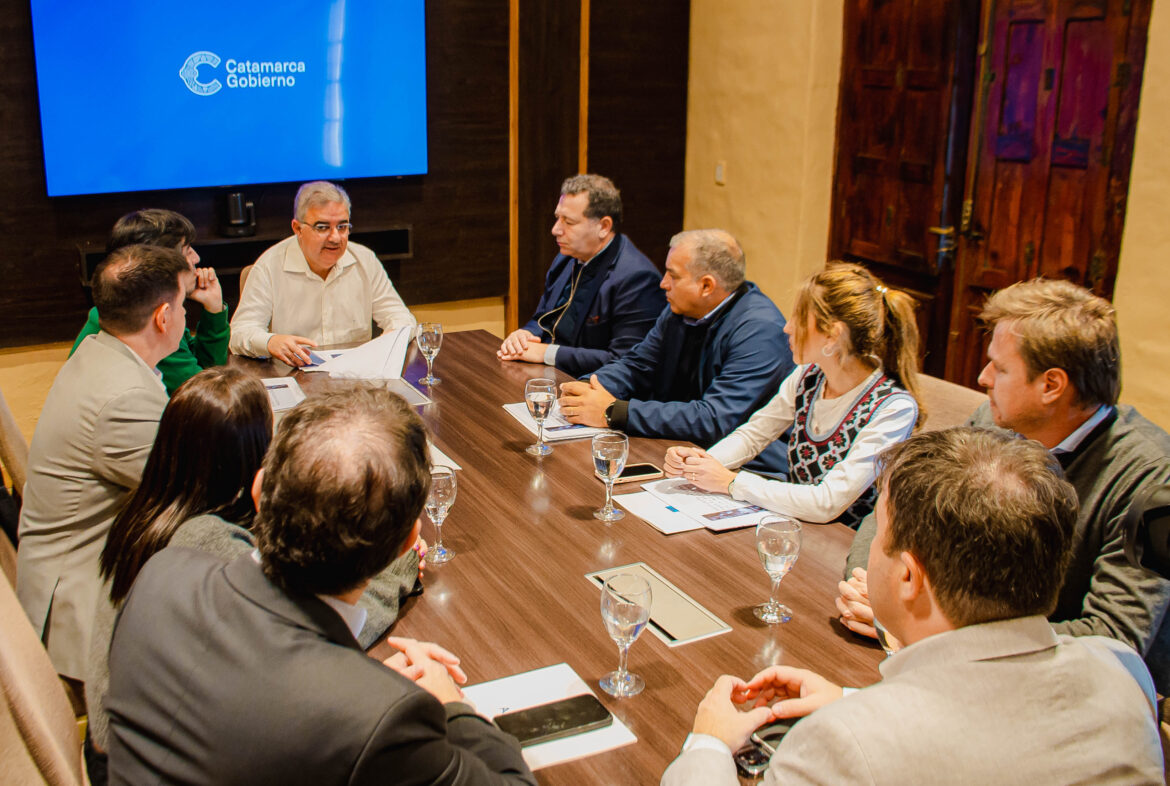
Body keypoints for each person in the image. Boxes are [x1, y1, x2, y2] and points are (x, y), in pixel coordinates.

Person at [662, 428, 1164, 785]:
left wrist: (707, 744)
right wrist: (852, 698)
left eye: (878, 532)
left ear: (907, 576)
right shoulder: (1121, 671)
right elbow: (992, 728)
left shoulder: (844, 747)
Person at [106, 388, 536, 784]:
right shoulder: (378, 722)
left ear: (259, 493)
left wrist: (354, 682)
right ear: (408, 542)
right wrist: (451, 705)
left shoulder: (161, 575)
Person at [83, 369, 424, 784]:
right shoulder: (204, 539)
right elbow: (305, 632)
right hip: (130, 756)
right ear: (252, 466)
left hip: (141, 733)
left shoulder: (148, 517)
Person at [839, 279, 1170, 661]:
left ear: (1051, 385)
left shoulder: (1151, 479)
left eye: (999, 367)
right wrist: (869, 586)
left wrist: (936, 635)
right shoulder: (993, 422)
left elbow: (1112, 639)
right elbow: (897, 503)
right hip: (952, 656)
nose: (983, 378)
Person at [16, 245, 192, 685]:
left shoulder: (99, 351)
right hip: (81, 609)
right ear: (163, 317)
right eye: (184, 305)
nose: (186, 317)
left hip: (84, 560)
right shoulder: (122, 399)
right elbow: (193, 493)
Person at [663, 262, 920, 528]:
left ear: (833, 336)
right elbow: (753, 435)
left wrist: (730, 482)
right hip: (794, 524)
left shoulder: (892, 408)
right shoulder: (808, 376)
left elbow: (826, 502)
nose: (787, 327)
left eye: (799, 318)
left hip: (843, 547)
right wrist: (702, 464)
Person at [559, 229, 794, 471]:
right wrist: (590, 388)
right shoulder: (680, 310)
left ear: (706, 286)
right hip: (680, 448)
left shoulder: (760, 331)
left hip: (746, 468)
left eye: (673, 275)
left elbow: (714, 419)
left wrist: (614, 411)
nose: (663, 283)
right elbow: (638, 365)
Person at [229, 181, 416, 366]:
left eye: (342, 227)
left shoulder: (364, 260)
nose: (335, 238)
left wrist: (390, 339)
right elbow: (240, 333)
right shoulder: (269, 266)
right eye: (322, 227)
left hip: (354, 375)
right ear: (297, 229)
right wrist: (270, 342)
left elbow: (402, 318)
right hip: (294, 374)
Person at [497, 174, 665, 376]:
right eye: (557, 218)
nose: (555, 230)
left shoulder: (637, 279)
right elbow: (543, 318)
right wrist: (526, 335)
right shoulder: (567, 257)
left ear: (603, 226)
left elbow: (626, 361)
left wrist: (547, 353)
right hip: (549, 374)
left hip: (595, 389)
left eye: (568, 222)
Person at [69, 209, 229, 395]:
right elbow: (204, 396)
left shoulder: (129, 305)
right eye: (187, 251)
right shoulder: (142, 323)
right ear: (161, 265)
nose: (196, 258)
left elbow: (204, 368)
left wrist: (214, 310)